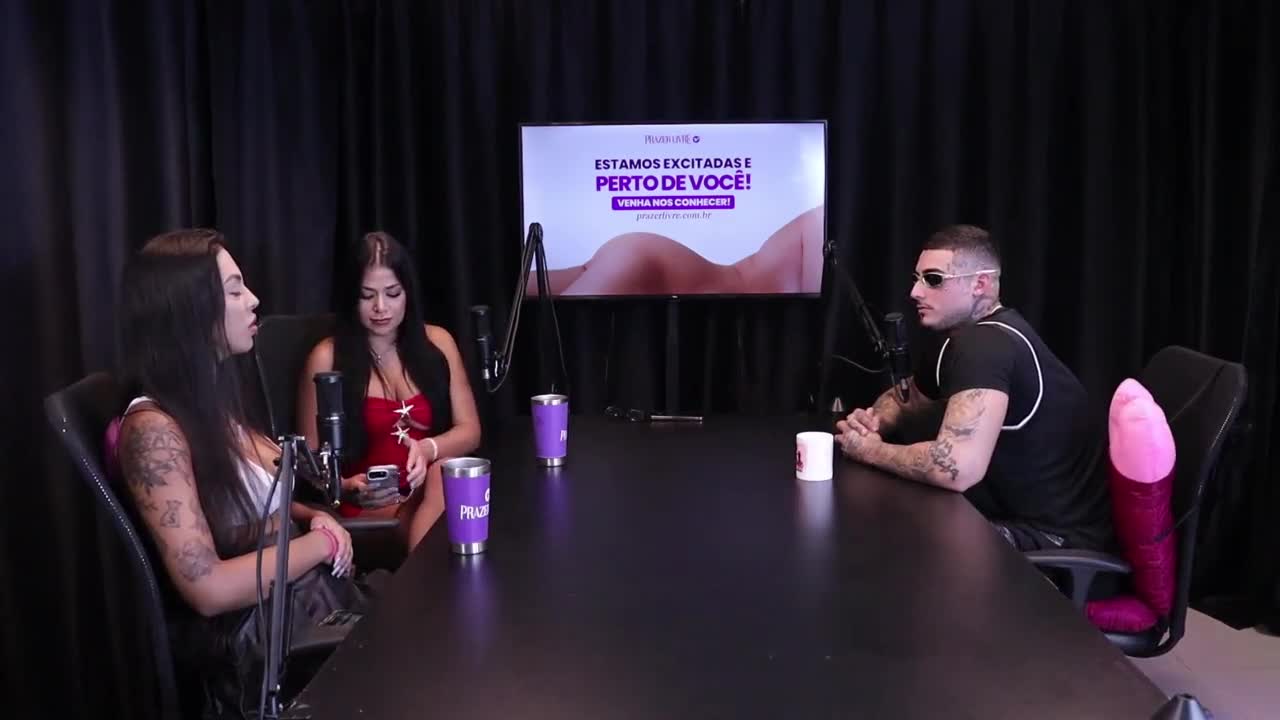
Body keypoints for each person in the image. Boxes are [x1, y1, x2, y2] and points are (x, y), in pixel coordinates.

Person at [112, 229, 376, 718]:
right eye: (234, 291)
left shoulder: (213, 405)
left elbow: (245, 512)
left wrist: (309, 516)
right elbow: (207, 588)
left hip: (305, 608)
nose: (253, 300)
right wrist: (320, 544)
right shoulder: (153, 431)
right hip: (261, 651)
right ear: (190, 311)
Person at [835, 224, 1112, 552]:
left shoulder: (987, 346)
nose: (915, 292)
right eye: (917, 278)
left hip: (1056, 539)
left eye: (933, 279)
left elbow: (955, 468)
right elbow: (907, 399)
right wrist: (874, 422)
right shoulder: (957, 339)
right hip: (1009, 513)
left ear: (980, 284)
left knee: (897, 535)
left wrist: (868, 450)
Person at [297, 231, 482, 551]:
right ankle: (427, 580)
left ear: (407, 293)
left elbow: (471, 431)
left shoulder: (438, 342)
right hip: (367, 506)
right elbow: (307, 463)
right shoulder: (327, 357)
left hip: (429, 492)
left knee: (445, 475)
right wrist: (346, 486)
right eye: (367, 296)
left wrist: (428, 449)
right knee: (444, 499)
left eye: (392, 294)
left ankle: (419, 579)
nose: (381, 307)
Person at [528, 205, 825, 296]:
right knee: (549, 334)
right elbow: (823, 310)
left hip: (644, 256)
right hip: (649, 263)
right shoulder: (819, 218)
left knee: (516, 291)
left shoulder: (817, 218)